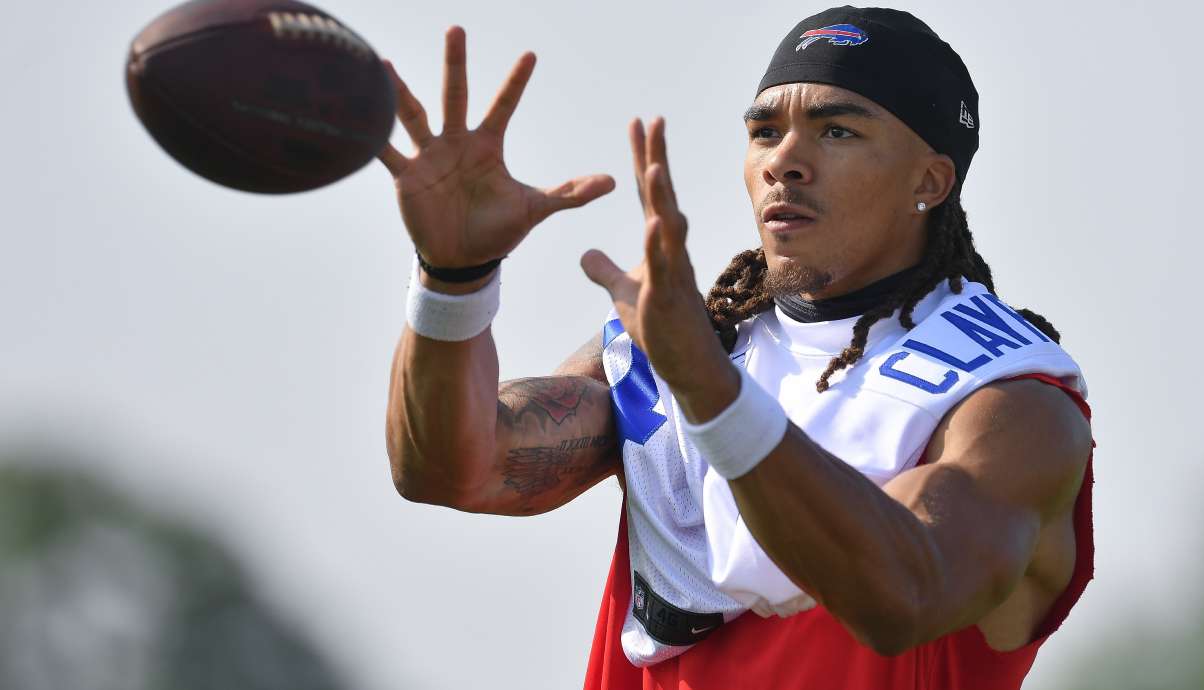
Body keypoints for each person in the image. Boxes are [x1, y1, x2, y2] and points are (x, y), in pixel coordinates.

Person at [377, 7, 1095, 689]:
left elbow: (904, 593)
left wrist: (713, 397)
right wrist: (453, 283)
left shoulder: (1011, 400)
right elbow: (453, 469)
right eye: (763, 131)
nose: (785, 159)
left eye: (837, 131)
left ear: (930, 181)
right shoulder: (692, 340)